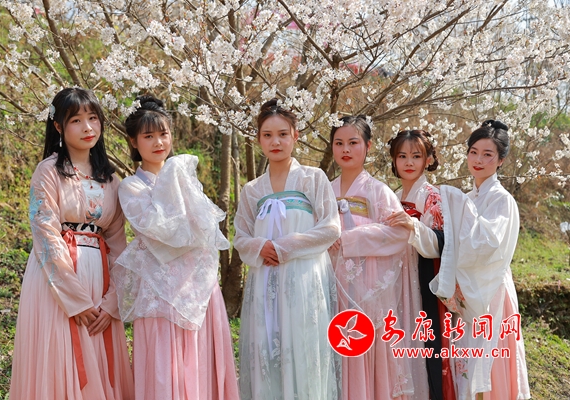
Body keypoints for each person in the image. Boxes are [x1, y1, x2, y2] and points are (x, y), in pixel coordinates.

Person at [111, 95, 239, 400]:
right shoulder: (131, 187)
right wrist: (172, 176)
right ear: (133, 141)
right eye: (148, 136)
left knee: (201, 364)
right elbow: (161, 231)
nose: (158, 142)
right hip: (160, 292)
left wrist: (176, 177)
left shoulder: (185, 179)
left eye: (163, 134)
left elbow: (205, 229)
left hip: (199, 287)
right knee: (165, 370)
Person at [9, 88, 134, 400]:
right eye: (76, 120)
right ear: (58, 126)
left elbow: (118, 243)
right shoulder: (48, 171)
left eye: (93, 118)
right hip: (57, 282)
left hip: (101, 282)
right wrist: (75, 299)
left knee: (100, 362)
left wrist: (112, 302)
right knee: (61, 358)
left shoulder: (111, 180)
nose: (87, 127)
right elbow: (46, 234)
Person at [234, 99, 341, 400]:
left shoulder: (312, 178)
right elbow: (240, 237)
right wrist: (261, 247)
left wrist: (283, 247)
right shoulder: (252, 190)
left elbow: (331, 228)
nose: (275, 142)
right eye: (267, 135)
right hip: (265, 284)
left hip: (303, 282)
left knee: (303, 349)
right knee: (267, 350)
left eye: (283, 134)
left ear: (295, 135)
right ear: (258, 140)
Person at [329, 116, 429, 399]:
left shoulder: (379, 191)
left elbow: (398, 234)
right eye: (339, 143)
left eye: (353, 142)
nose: (345, 149)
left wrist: (350, 238)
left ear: (368, 146)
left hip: (368, 290)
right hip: (331, 284)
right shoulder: (324, 190)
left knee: (364, 345)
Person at [430, 120, 531, 399]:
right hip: (468, 288)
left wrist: (458, 211)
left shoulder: (501, 199)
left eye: (487, 154)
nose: (478, 160)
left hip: (490, 288)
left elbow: (488, 244)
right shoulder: (468, 197)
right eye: (473, 152)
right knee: (466, 359)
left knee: (487, 360)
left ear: (501, 160)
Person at [385, 129, 456, 400]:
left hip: (423, 279)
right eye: (402, 156)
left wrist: (413, 225)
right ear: (394, 160)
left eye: (416, 156)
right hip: (395, 279)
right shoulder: (390, 196)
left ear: (428, 160)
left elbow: (442, 243)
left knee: (425, 345)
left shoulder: (433, 197)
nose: (409, 162)